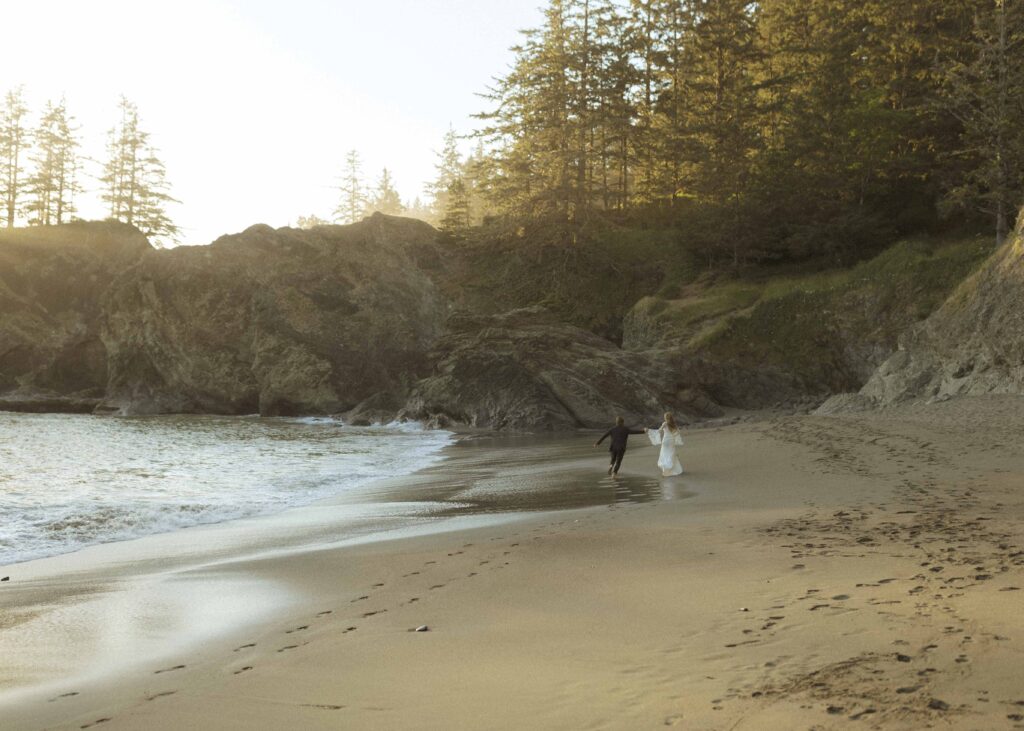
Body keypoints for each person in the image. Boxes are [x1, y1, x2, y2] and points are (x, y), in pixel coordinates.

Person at [646, 412, 683, 476]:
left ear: (666, 417)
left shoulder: (665, 423)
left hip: (665, 440)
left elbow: (659, 431)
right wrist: (673, 436)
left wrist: (649, 430)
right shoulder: (673, 424)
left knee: (664, 454)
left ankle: (666, 469)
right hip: (671, 440)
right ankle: (670, 469)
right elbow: (677, 432)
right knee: (671, 454)